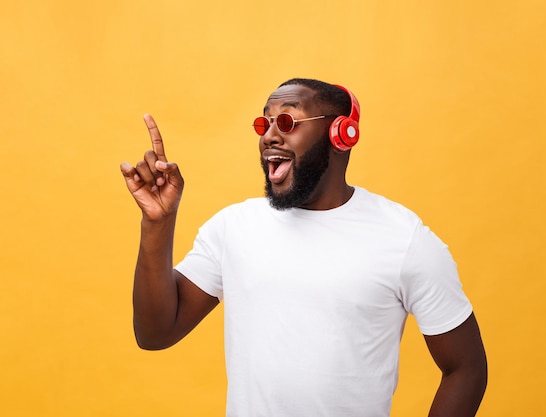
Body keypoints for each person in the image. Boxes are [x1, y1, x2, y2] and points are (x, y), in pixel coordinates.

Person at [120, 78, 487, 417]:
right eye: (264, 125)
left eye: (288, 122)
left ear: (341, 134)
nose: (269, 137)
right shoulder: (232, 228)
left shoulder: (403, 238)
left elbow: (466, 368)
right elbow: (155, 333)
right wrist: (158, 223)